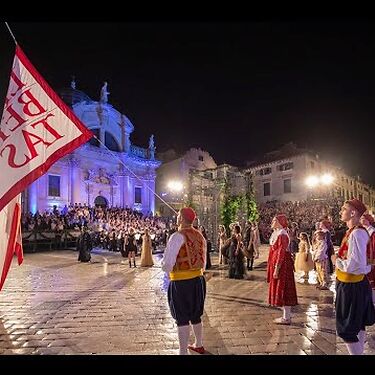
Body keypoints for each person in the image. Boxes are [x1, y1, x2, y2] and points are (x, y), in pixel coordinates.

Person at [161, 207, 207, 355]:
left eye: (178, 215)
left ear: (181, 218)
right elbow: (203, 261)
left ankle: (183, 352)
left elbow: (168, 263)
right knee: (196, 314)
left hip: (181, 282)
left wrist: (165, 268)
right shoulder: (200, 235)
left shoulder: (176, 236)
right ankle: (198, 344)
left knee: (181, 317)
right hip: (199, 280)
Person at [332, 199, 375, 355]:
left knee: (347, 329)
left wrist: (337, 261)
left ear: (353, 213)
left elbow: (355, 266)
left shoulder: (357, 233)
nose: (340, 211)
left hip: (351, 285)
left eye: (344, 209)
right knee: (358, 323)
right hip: (354, 283)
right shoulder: (353, 231)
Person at [267, 214, 298, 324]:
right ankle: (285, 315)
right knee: (281, 288)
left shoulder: (282, 235)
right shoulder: (277, 233)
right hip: (278, 263)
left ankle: (286, 317)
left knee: (284, 288)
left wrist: (277, 268)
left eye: (274, 220)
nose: (272, 222)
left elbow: (281, 252)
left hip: (283, 265)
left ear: (280, 222)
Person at [360, 213, 375, 305]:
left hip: (370, 257)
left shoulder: (372, 231)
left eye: (363, 218)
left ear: (368, 220)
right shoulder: (363, 230)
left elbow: (373, 246)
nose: (361, 220)